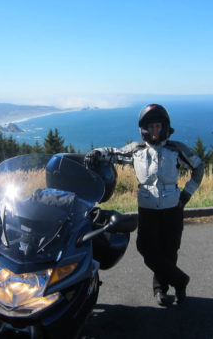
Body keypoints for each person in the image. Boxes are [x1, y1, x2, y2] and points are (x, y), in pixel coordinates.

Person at [84, 104, 204, 306]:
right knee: (146, 248)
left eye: (158, 126)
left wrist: (186, 194)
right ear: (144, 129)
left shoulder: (176, 149)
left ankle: (162, 289)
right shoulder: (136, 150)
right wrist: (96, 153)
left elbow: (198, 167)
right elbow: (114, 154)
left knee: (169, 250)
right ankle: (180, 280)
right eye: (151, 127)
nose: (155, 131)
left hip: (173, 208)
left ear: (165, 127)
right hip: (147, 209)